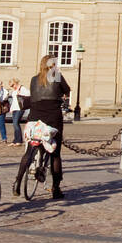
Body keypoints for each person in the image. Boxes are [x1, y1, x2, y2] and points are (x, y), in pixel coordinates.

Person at [14, 55, 70, 199]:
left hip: (35, 118)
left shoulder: (34, 79)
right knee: (55, 154)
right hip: (52, 118)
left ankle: (17, 181)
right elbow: (67, 90)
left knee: (28, 151)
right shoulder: (56, 76)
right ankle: (56, 188)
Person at [7, 78, 29, 145]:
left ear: (15, 83)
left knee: (16, 123)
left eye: (13, 85)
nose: (12, 87)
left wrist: (21, 94)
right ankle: (15, 140)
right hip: (15, 109)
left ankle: (19, 140)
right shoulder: (14, 90)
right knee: (14, 124)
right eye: (11, 86)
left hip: (20, 108)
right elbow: (14, 101)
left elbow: (29, 94)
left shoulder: (22, 88)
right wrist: (11, 109)